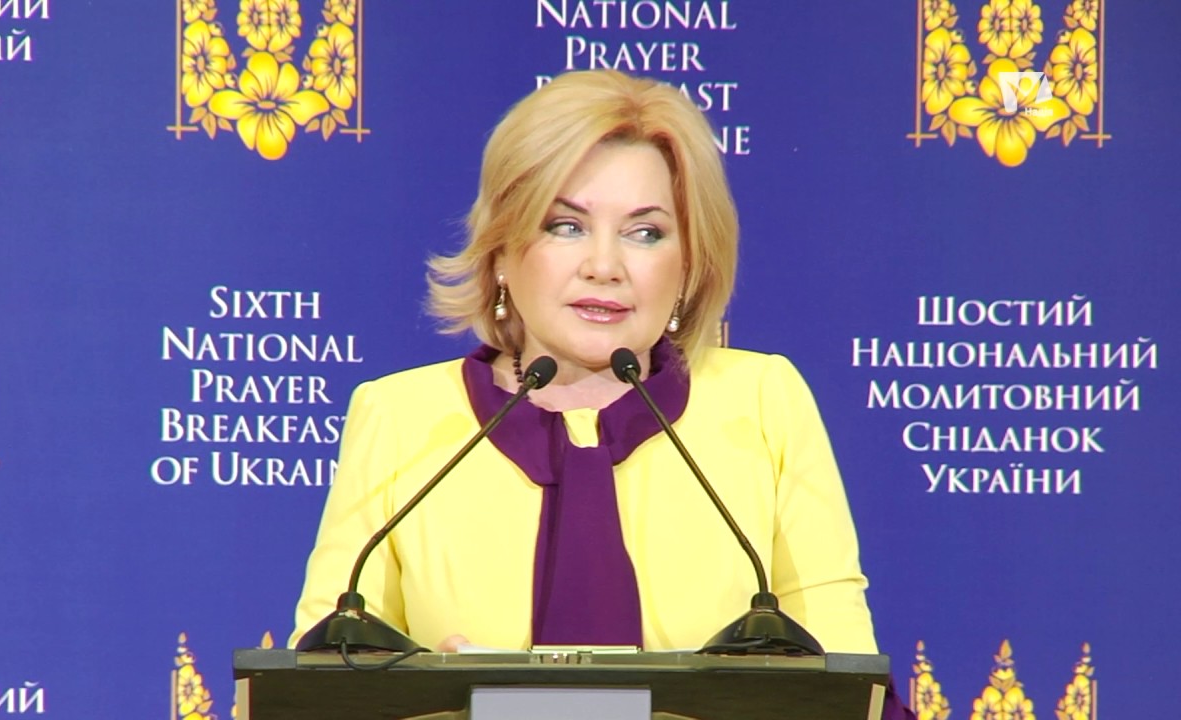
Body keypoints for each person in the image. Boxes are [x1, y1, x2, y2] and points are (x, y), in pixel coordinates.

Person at [291, 69, 886, 670]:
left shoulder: (761, 403)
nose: (604, 265)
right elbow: (325, 674)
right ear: (501, 251)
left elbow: (843, 673)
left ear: (688, 266)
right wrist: (437, 694)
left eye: (645, 233)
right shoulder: (402, 418)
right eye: (566, 226)